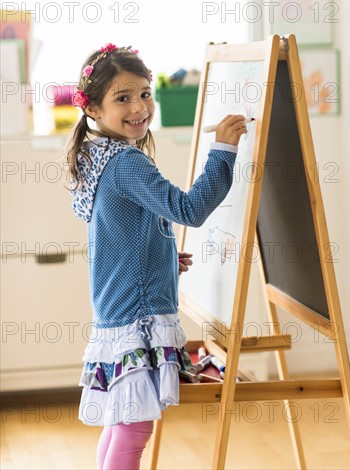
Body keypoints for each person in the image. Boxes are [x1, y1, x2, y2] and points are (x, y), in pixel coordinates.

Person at [64, 42, 247, 470]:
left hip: (117, 313)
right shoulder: (127, 162)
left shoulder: (96, 156)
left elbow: (121, 231)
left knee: (120, 426)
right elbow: (189, 210)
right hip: (138, 319)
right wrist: (222, 152)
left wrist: (163, 257)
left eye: (145, 93)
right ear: (92, 108)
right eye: (122, 98)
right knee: (133, 429)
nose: (139, 107)